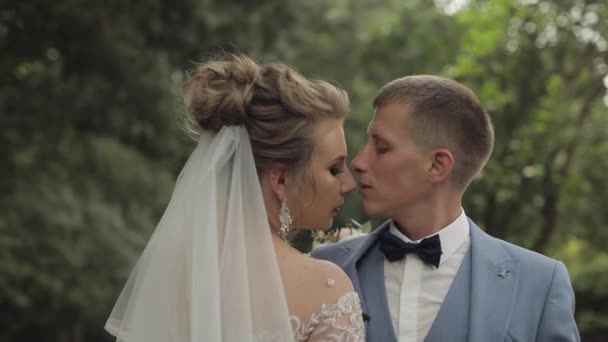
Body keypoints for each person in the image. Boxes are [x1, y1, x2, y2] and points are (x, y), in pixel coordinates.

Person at [105, 55, 365, 341]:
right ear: (280, 179)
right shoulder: (325, 289)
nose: (349, 183)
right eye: (335, 168)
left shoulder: (175, 278)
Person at [312, 75, 580, 342]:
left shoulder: (540, 283)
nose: (358, 162)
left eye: (381, 148)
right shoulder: (323, 267)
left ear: (437, 165)